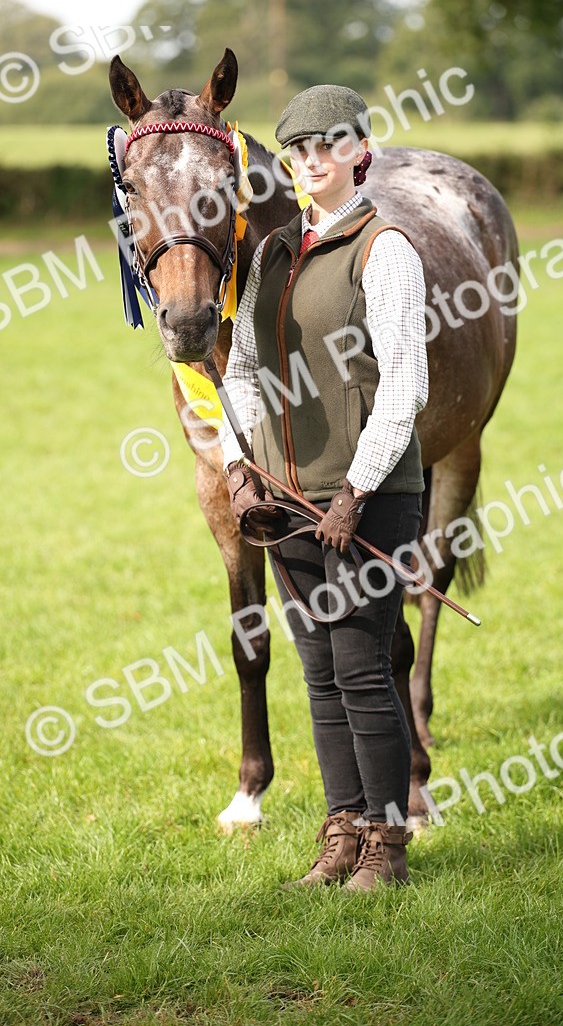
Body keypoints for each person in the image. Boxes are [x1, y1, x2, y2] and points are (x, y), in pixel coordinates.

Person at [220, 84, 428, 892]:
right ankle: (341, 831)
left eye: (328, 146)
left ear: (358, 153)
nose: (312, 161)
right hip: (282, 503)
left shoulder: (387, 249)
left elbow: (406, 383)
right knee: (317, 671)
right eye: (299, 150)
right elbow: (239, 370)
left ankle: (386, 845)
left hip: (367, 498)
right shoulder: (273, 254)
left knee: (363, 665)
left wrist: (355, 494)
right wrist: (243, 470)